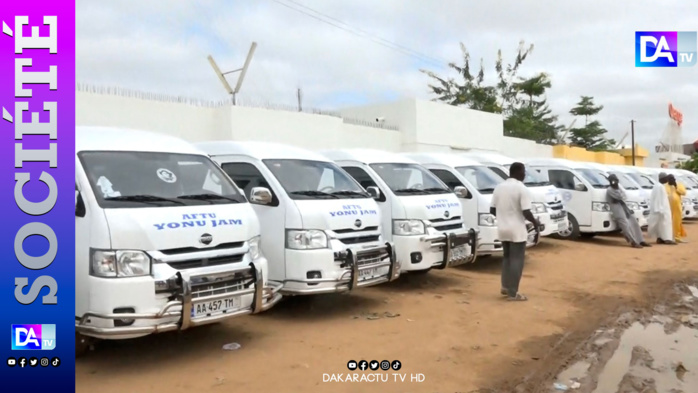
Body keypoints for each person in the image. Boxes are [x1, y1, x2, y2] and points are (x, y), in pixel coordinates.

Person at [490, 162, 540, 302]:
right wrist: (535, 224)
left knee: (507, 258)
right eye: (523, 171)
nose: (524, 174)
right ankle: (513, 293)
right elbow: (526, 211)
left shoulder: (499, 187)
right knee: (517, 260)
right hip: (517, 230)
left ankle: (505, 286)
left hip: (503, 228)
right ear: (517, 172)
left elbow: (492, 209)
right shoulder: (521, 188)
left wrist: (503, 217)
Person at [606, 174, 650, 248]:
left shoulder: (618, 187)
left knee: (634, 222)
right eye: (613, 181)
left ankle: (641, 240)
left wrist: (619, 194)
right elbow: (619, 196)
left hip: (623, 206)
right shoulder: (610, 189)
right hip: (616, 208)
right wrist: (618, 193)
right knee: (625, 224)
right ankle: (633, 242)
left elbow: (624, 196)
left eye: (616, 180)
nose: (615, 182)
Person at [648, 172, 676, 245]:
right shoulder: (659, 187)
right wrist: (660, 209)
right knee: (666, 224)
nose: (667, 179)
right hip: (662, 209)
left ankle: (660, 238)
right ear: (662, 178)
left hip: (661, 209)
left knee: (661, 225)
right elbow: (658, 199)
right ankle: (667, 239)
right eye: (666, 178)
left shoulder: (658, 186)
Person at [666, 174, 688, 243]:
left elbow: (684, 193)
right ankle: (669, 236)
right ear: (668, 180)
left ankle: (677, 237)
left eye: (673, 179)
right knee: (668, 222)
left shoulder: (679, 185)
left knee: (677, 222)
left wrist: (676, 186)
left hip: (677, 208)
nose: (671, 180)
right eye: (670, 179)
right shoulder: (665, 186)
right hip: (668, 208)